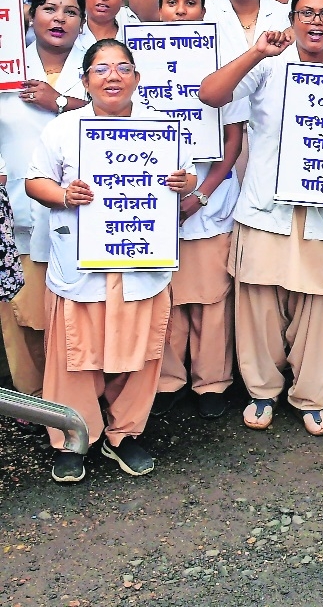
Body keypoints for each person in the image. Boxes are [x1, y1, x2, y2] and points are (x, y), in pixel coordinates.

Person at [198, 0, 323, 436]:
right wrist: (255, 53)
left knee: (322, 302)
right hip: (267, 205)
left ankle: (312, 395)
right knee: (259, 300)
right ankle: (262, 390)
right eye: (307, 13)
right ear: (293, 19)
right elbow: (211, 94)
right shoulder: (270, 66)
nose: (316, 22)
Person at [27, 38, 197, 482]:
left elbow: (188, 175)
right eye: (101, 69)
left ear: (137, 79)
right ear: (85, 81)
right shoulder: (64, 129)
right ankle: (72, 437)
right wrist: (65, 195)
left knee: (138, 353)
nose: (113, 76)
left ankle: (126, 434)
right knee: (74, 356)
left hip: (140, 261)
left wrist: (183, 182)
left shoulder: (160, 128)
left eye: (123, 68)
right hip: (83, 266)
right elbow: (34, 182)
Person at [149, 0, 248, 421]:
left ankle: (212, 382)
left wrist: (202, 196)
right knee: (165, 299)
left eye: (190, 2)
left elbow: (233, 143)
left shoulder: (223, 65)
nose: (181, 9)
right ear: (159, 9)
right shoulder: (139, 68)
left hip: (210, 201)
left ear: (204, 13)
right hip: (155, 206)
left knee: (210, 299)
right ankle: (167, 380)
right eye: (172, 1)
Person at [0, 0, 91, 402]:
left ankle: (72, 395)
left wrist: (59, 101)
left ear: (82, 21)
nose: (59, 18)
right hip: (17, 200)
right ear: (30, 15)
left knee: (70, 312)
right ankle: (31, 396)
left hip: (80, 211)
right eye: (49, 8)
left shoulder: (95, 67)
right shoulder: (7, 63)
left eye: (70, 11)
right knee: (22, 311)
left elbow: (120, 115)